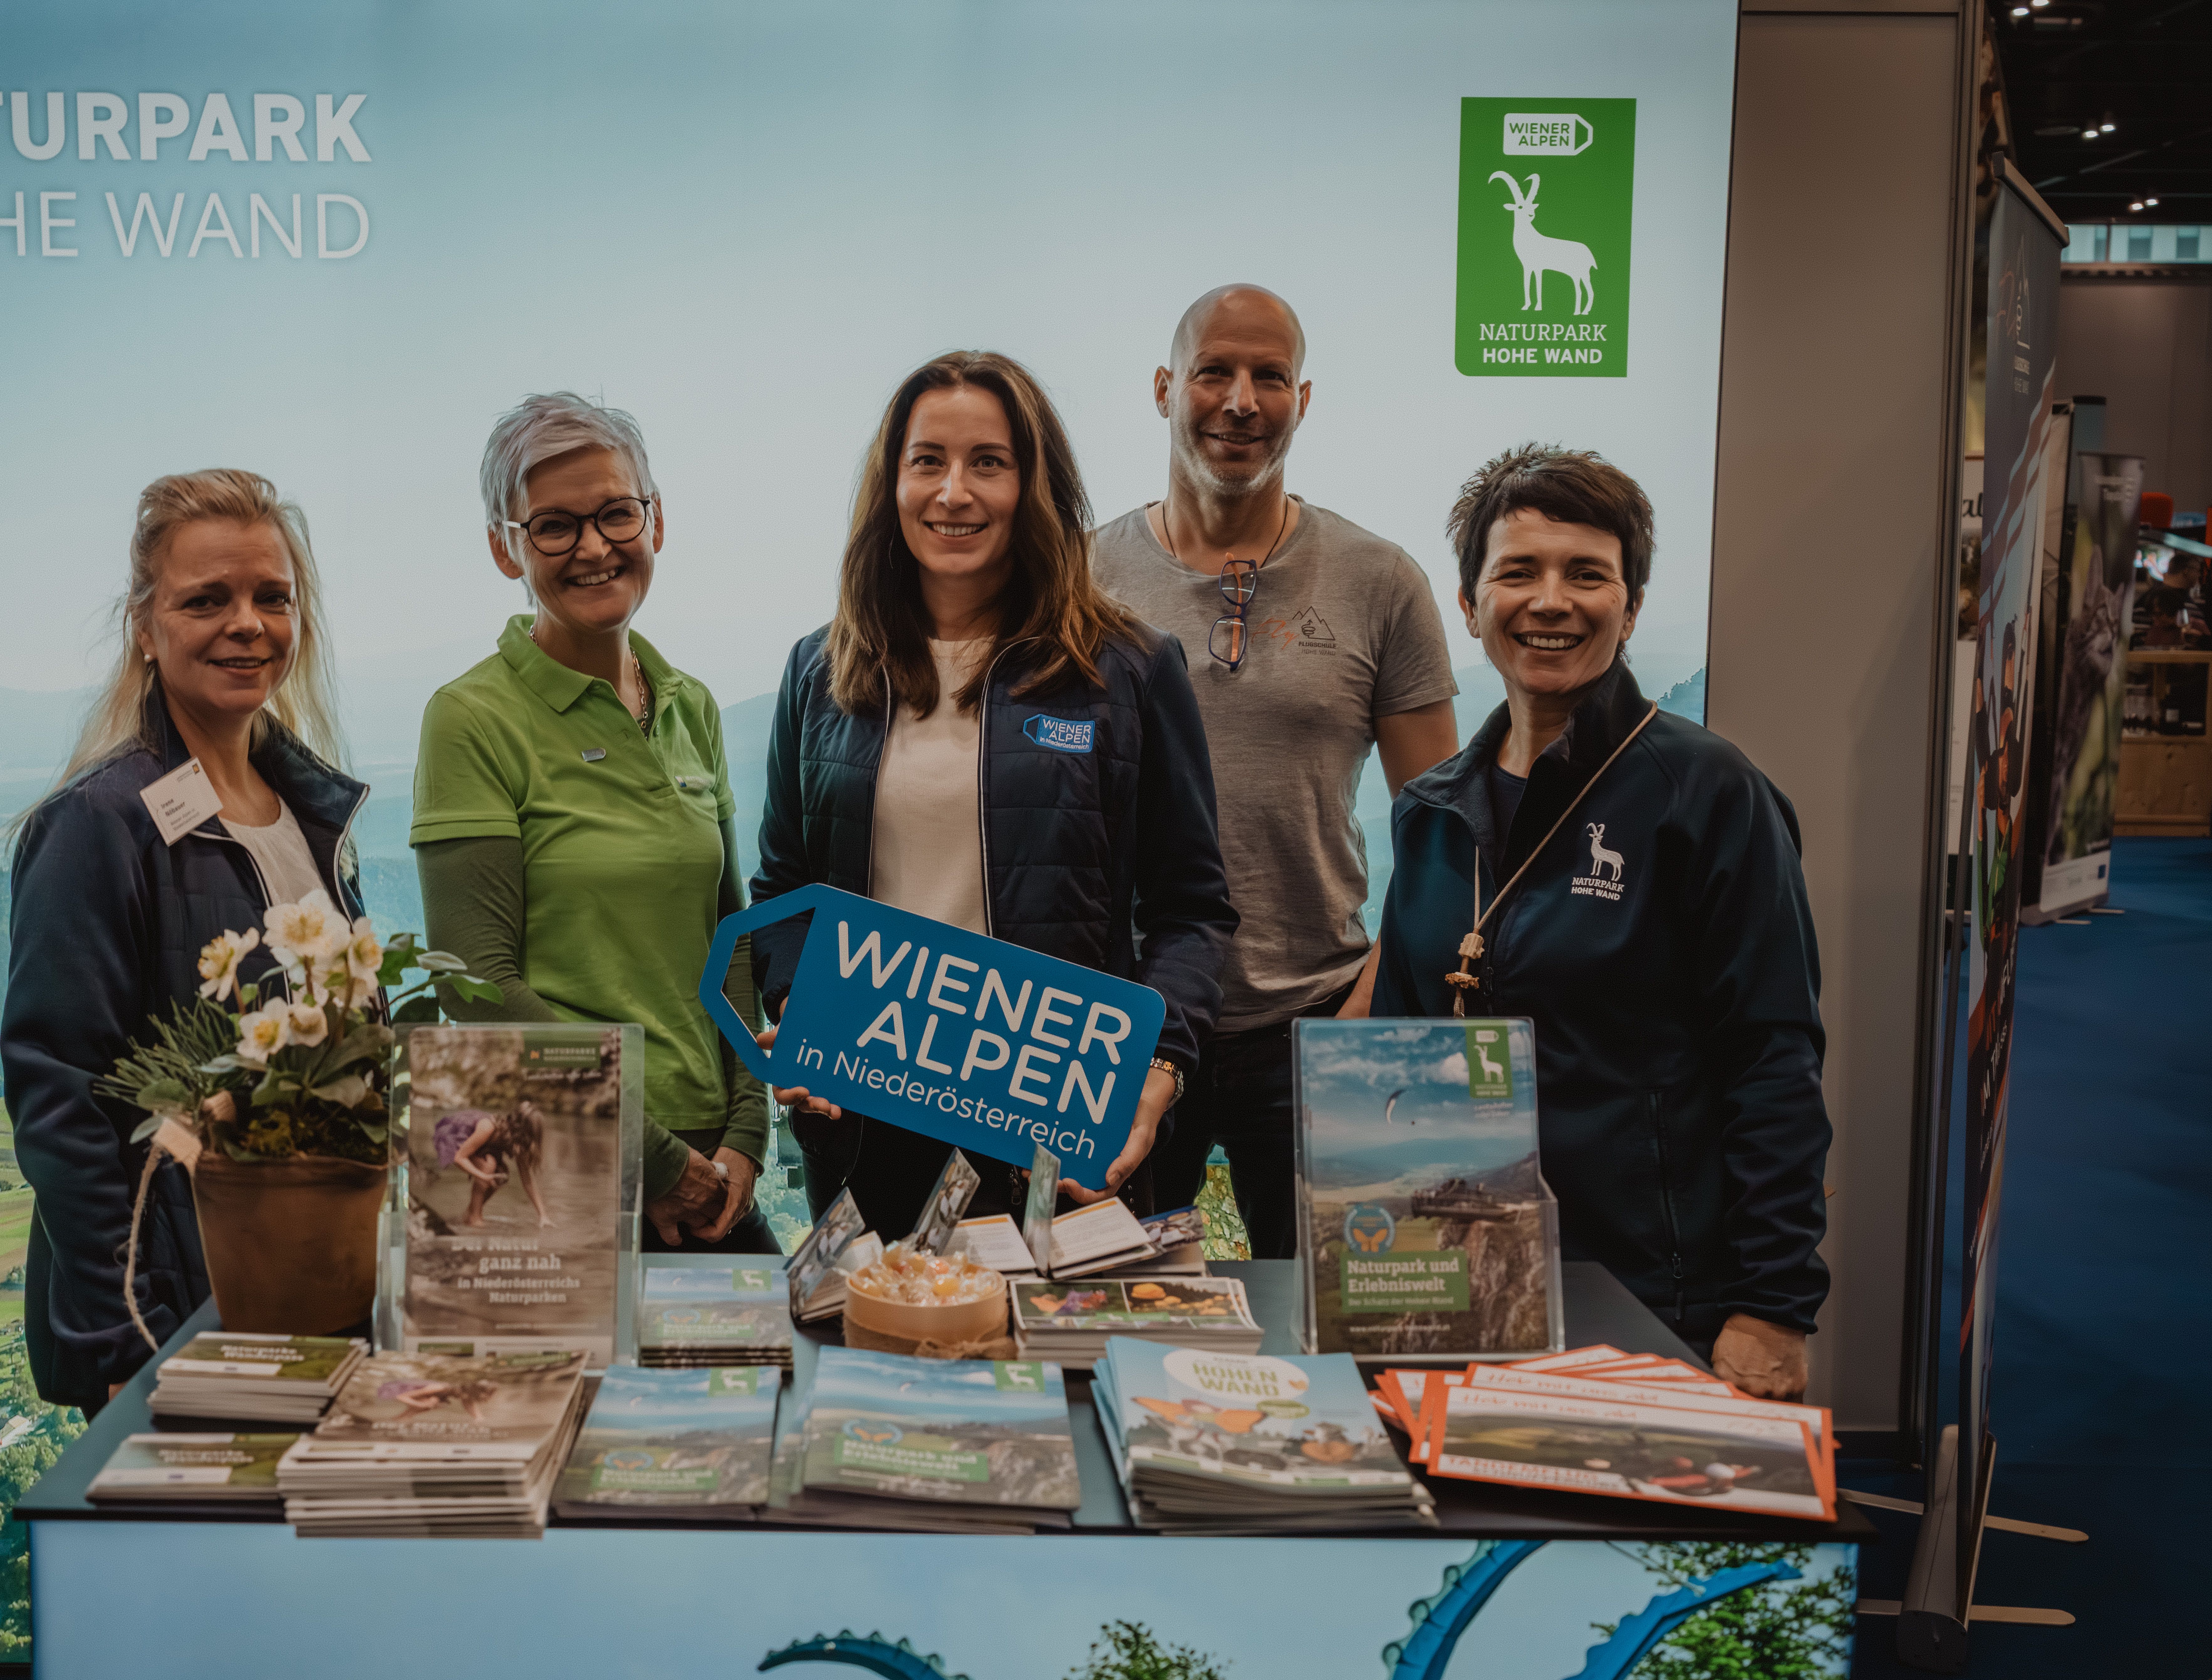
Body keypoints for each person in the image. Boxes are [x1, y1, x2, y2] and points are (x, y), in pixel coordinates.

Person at [1367, 444, 1830, 1400]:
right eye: (1516, 571)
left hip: (1653, 1295)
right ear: (1468, 604)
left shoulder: (1705, 793)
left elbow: (1770, 1057)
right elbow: (1397, 1055)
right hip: (1454, 1286)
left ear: (1629, 604)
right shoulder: (1430, 810)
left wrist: (1773, 1300)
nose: (1550, 600)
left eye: (1586, 574)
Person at [753, 350, 1236, 1239]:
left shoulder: (1126, 669)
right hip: (865, 1117)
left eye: (989, 462)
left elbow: (1192, 909)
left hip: (1053, 1119)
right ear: (889, 485)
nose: (953, 493)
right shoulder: (817, 671)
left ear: (1034, 486)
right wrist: (795, 1010)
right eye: (927, 461)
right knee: (874, 1363)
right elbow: (784, 889)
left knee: (1053, 1369)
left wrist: (1156, 1069)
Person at [1095, 283, 1458, 1258]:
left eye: (1269, 376)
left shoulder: (1378, 581)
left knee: (1332, 1314)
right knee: (1109, 1317)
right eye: (1214, 370)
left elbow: (1448, 835)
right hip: (1122, 1028)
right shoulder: (1080, 580)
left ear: (1303, 397)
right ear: (1165, 388)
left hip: (1316, 1022)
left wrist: (1369, 1001)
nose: (1240, 399)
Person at [4, 468, 365, 1412]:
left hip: (315, 1293)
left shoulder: (307, 811)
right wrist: (127, 1342)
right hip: (181, 1323)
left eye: (271, 597)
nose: (246, 623)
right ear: (144, 621)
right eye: (206, 598)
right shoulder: (98, 824)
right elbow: (60, 1104)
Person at [413, 392, 775, 1253]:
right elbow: (480, 986)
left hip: (710, 1161)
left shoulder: (692, 708)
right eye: (553, 527)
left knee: (774, 1379)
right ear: (507, 549)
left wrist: (746, 1138)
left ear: (656, 520)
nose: (594, 547)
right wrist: (650, 1161)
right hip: (563, 1167)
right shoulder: (469, 717)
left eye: (616, 513)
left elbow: (732, 940)